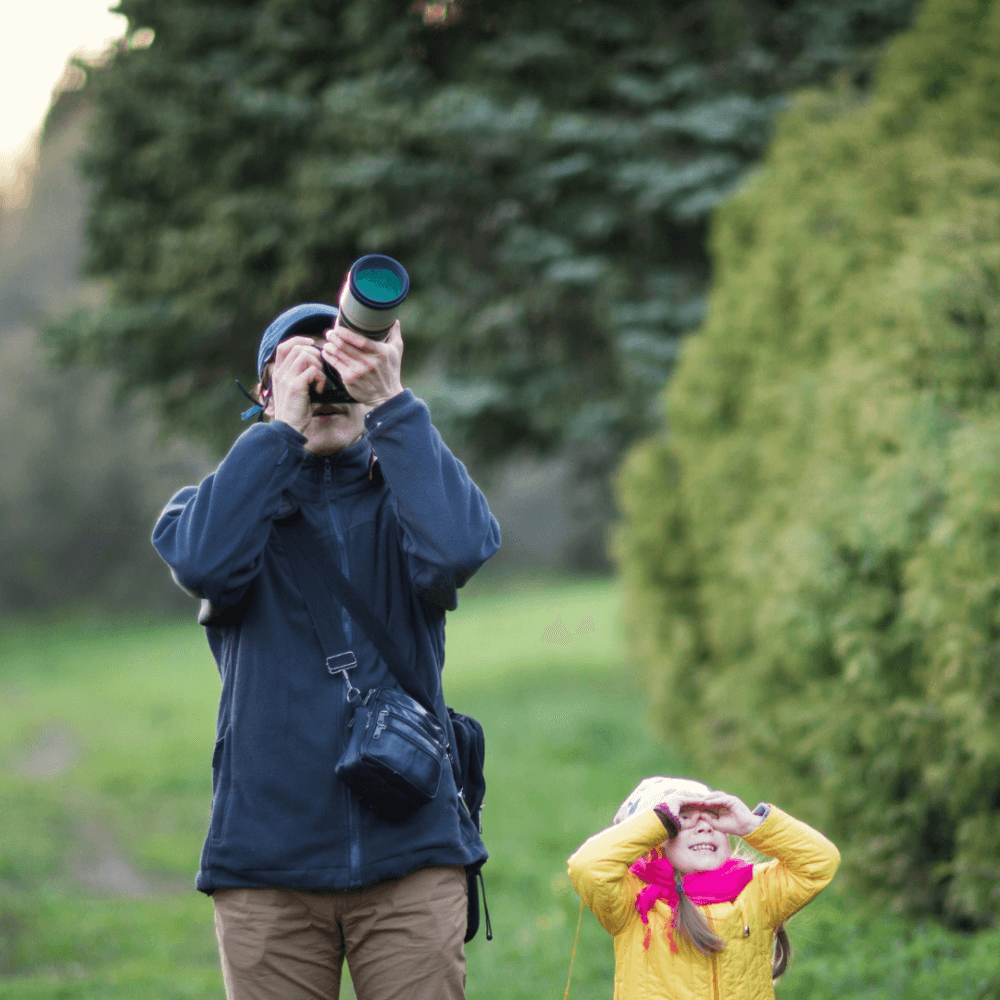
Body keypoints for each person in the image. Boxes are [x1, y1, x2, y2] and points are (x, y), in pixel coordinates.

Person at [152, 300, 501, 1000]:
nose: (327, 387)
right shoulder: (214, 511)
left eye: (342, 369)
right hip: (267, 868)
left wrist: (393, 401)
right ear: (266, 391)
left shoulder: (408, 501)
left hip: (411, 854)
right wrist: (280, 431)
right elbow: (207, 564)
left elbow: (461, 549)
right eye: (305, 370)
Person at [567, 776, 840, 1000]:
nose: (703, 828)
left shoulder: (755, 890)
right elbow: (586, 866)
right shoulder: (636, 901)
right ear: (652, 842)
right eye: (683, 820)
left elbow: (821, 862)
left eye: (711, 817)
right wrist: (660, 821)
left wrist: (751, 825)